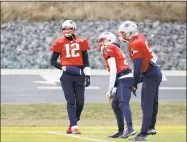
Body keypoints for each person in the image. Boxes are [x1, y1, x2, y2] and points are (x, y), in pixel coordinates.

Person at [118, 20, 162, 141]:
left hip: (150, 74)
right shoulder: (139, 37)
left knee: (146, 104)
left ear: (129, 32)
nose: (121, 35)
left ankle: (143, 134)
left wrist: (135, 83)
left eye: (123, 33)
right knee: (153, 102)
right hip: (153, 71)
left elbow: (137, 67)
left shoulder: (135, 44)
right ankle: (150, 127)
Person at [50, 20, 91, 134]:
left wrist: (87, 75)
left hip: (79, 74)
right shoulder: (58, 42)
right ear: (62, 30)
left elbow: (86, 60)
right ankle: (74, 125)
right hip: (67, 75)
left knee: (81, 102)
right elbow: (53, 61)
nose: (67, 31)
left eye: (69, 28)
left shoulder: (82, 41)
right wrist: (63, 67)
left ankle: (73, 121)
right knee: (70, 101)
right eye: (64, 29)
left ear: (74, 29)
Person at [97, 32, 136, 139]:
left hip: (124, 77)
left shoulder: (109, 48)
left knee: (123, 103)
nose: (101, 43)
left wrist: (110, 89)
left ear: (110, 40)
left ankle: (130, 128)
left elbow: (114, 70)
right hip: (123, 78)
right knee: (115, 104)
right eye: (100, 40)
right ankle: (121, 130)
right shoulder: (114, 48)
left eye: (103, 40)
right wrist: (114, 87)